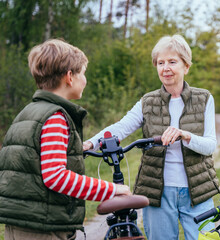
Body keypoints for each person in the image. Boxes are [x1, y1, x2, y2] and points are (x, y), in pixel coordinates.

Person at [83, 34, 220, 240]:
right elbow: (121, 127)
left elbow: (210, 146)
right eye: (160, 62)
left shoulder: (204, 99)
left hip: (197, 193)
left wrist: (184, 134)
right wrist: (91, 142)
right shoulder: (148, 102)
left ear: (186, 66)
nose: (165, 68)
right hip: (157, 192)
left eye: (172, 62)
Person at [0, 39, 131, 240]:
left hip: (22, 224)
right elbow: (56, 177)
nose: (85, 79)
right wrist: (111, 190)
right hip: (43, 230)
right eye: (83, 73)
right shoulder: (55, 118)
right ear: (70, 76)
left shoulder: (27, 113)